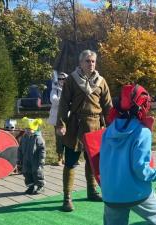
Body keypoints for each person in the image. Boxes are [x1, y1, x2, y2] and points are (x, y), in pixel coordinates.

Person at [100, 84, 156, 225]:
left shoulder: (108, 131)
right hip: (136, 193)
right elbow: (141, 169)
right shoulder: (142, 132)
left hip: (111, 194)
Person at [56, 49, 112, 212]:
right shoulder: (72, 80)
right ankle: (67, 198)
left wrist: (113, 125)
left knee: (93, 161)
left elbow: (108, 106)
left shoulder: (101, 81)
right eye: (87, 61)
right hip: (75, 126)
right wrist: (61, 124)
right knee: (71, 162)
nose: (91, 64)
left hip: (95, 126)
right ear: (80, 63)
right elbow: (64, 103)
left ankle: (92, 191)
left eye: (93, 61)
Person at [17, 117, 46, 195]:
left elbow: (42, 150)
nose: (28, 131)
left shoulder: (38, 138)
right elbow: (20, 149)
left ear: (35, 129)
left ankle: (40, 186)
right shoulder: (24, 137)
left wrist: (42, 159)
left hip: (36, 159)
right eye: (26, 129)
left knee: (37, 172)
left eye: (30, 129)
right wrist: (19, 159)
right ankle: (31, 186)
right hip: (26, 159)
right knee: (27, 173)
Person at [47, 72, 68, 166]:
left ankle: (68, 157)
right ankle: (60, 158)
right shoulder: (54, 90)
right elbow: (54, 100)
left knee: (69, 138)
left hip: (69, 117)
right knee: (59, 138)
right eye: (59, 79)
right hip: (58, 118)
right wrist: (65, 101)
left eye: (63, 79)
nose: (61, 80)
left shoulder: (70, 89)